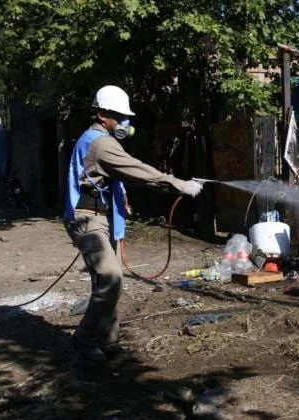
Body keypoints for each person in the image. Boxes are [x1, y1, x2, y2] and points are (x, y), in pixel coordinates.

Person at [64, 85, 203, 365]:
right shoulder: (101, 143)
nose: (126, 123)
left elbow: (110, 176)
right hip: (87, 219)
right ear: (103, 114)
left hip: (100, 217)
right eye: (120, 117)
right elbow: (136, 170)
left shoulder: (100, 139)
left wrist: (120, 198)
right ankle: (85, 338)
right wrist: (179, 184)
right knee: (111, 278)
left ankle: (108, 340)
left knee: (105, 281)